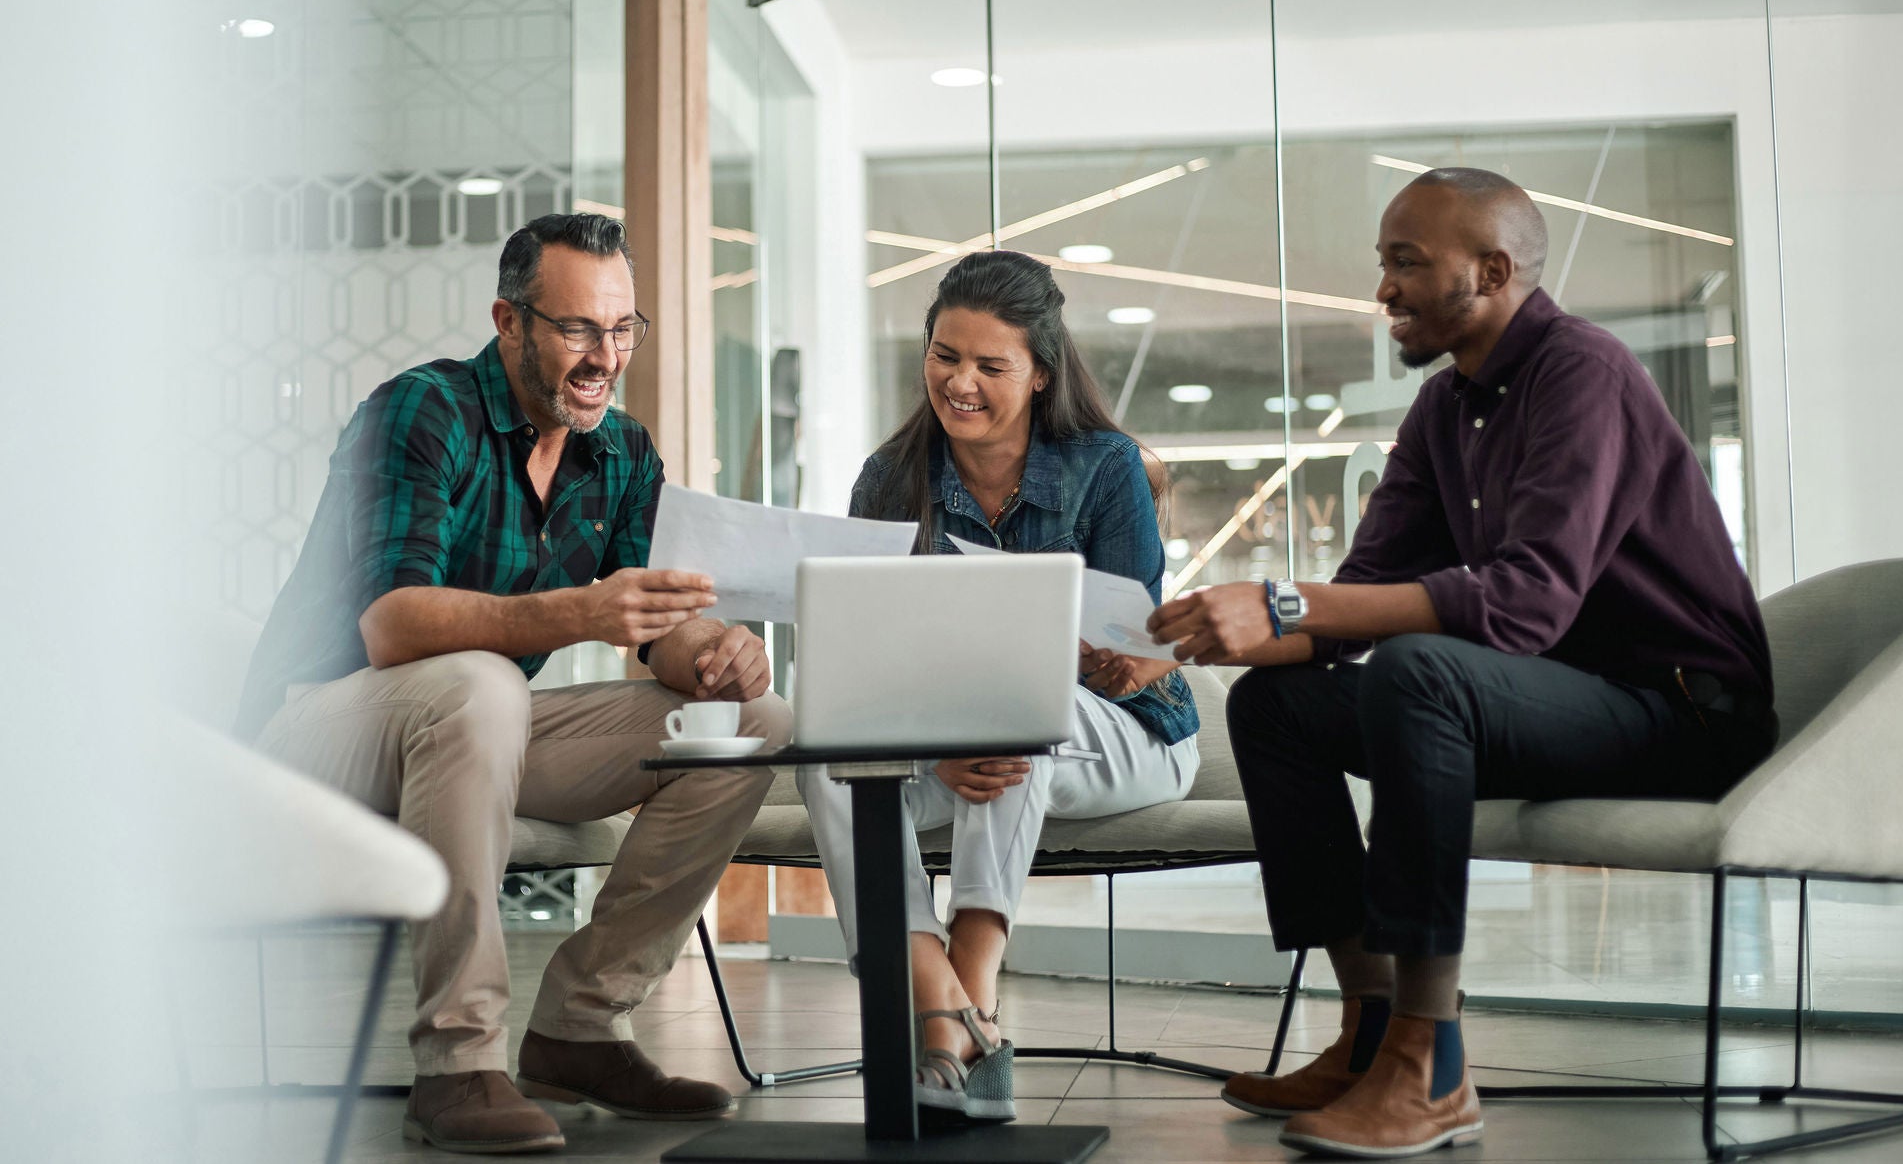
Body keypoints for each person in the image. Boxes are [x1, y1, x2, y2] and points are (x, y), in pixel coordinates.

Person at [1147, 168, 1776, 1159]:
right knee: (1278, 706)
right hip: (1548, 702)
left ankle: (1430, 1064)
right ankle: (1365, 1033)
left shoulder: (1585, 374)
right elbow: (1355, 604)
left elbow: (1521, 603)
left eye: (1405, 262)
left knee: (1419, 670)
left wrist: (1280, 600)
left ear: (1488, 271)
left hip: (1679, 712)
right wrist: (1187, 646)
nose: (1382, 289)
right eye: (1382, 264)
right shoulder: (1445, 409)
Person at [238, 213, 792, 1155]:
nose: (603, 358)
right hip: (316, 730)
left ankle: (580, 1025)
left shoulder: (620, 452)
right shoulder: (421, 411)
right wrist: (584, 610)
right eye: (578, 329)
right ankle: (457, 1062)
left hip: (468, 724)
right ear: (509, 320)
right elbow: (392, 625)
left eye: (622, 330)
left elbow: (645, 620)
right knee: (484, 681)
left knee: (751, 719)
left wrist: (713, 651)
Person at [797, 250, 1202, 1122]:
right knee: (826, 758)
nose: (961, 382)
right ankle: (941, 1009)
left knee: (1009, 711)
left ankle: (967, 991)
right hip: (955, 735)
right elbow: (868, 651)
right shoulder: (890, 478)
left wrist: (1114, 656)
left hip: (1124, 732)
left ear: (1040, 373)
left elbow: (1143, 638)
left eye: (990, 365)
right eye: (946, 356)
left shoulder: (1105, 466)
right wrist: (934, 742)